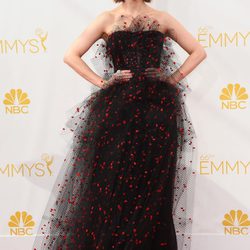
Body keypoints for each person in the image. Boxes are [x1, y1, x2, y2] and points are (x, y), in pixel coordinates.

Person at [33, 0, 207, 249]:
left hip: (157, 113)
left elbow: (198, 52)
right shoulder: (107, 18)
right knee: (111, 184)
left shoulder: (162, 18)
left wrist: (171, 79)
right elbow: (70, 55)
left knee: (153, 188)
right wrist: (103, 83)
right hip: (117, 113)